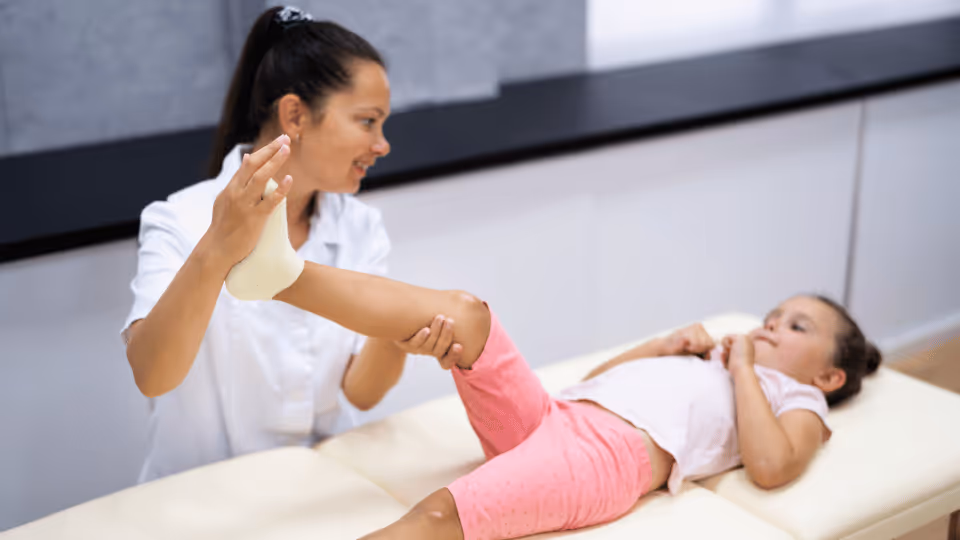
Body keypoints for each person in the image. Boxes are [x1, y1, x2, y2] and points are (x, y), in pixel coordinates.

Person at [229, 238, 880, 539]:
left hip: (605, 458)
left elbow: (770, 466)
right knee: (466, 313)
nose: (769, 329)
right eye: (771, 317)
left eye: (795, 327)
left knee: (437, 516)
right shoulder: (711, 362)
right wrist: (662, 347)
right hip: (556, 415)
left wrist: (741, 369)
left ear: (829, 375)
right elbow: (593, 386)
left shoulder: (798, 400)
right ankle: (281, 274)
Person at [122, 6, 462, 483]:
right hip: (204, 496)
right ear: (295, 115)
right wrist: (217, 248)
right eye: (367, 121)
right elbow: (152, 375)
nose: (382, 144)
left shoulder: (358, 226)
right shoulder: (181, 220)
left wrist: (397, 338)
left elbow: (360, 393)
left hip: (318, 484)